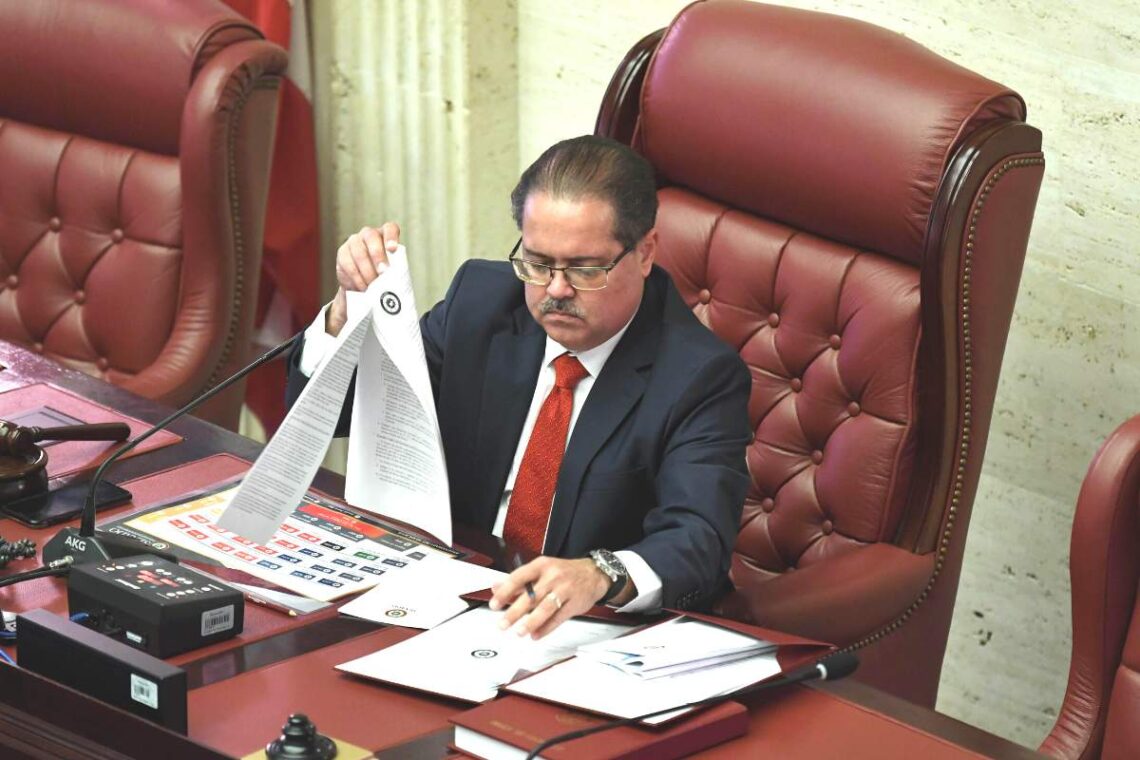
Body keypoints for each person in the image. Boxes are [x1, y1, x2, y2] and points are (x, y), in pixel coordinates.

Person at [287, 135, 751, 639]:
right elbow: (337, 416)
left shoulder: (698, 375)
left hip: (574, 631)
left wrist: (599, 574)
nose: (556, 289)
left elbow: (697, 539)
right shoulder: (480, 303)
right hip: (443, 597)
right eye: (538, 262)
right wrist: (345, 311)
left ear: (644, 253)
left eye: (584, 269)